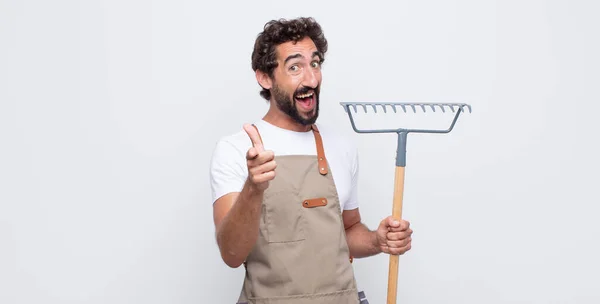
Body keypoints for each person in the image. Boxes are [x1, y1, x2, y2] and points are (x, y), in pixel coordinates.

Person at [210, 17, 413, 304]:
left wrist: (376, 241)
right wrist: (253, 188)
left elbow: (349, 229)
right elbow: (231, 253)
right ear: (265, 77)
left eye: (315, 64)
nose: (311, 79)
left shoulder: (341, 146)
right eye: (294, 67)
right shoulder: (234, 149)